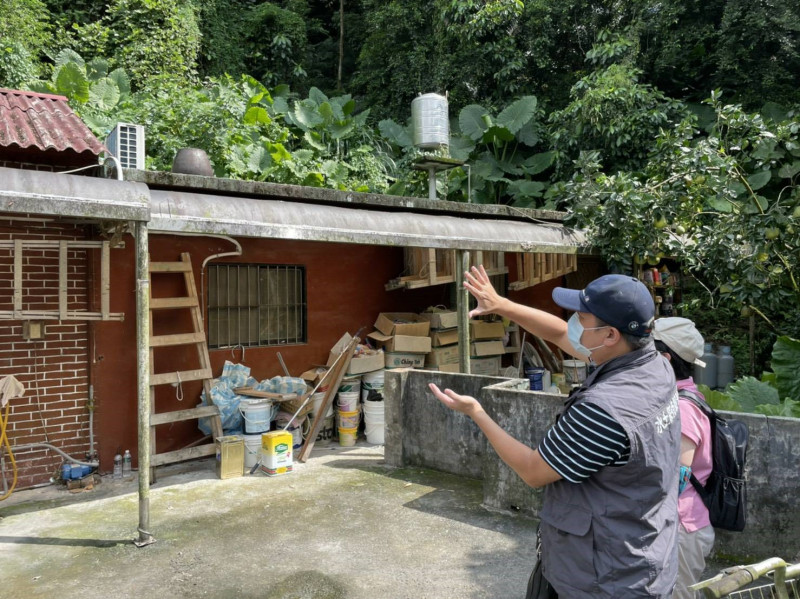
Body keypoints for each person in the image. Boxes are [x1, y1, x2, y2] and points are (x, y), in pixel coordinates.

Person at [428, 266, 681, 598]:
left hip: (603, 580)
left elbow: (533, 471)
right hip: (642, 553)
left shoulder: (605, 410)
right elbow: (563, 335)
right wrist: (501, 304)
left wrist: (477, 413)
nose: (574, 320)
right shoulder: (653, 365)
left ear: (610, 336)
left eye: (583, 317)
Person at [653, 317, 714, 599]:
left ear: (664, 358)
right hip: (679, 524)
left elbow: (678, 474)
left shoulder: (684, 407)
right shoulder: (680, 396)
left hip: (683, 527)